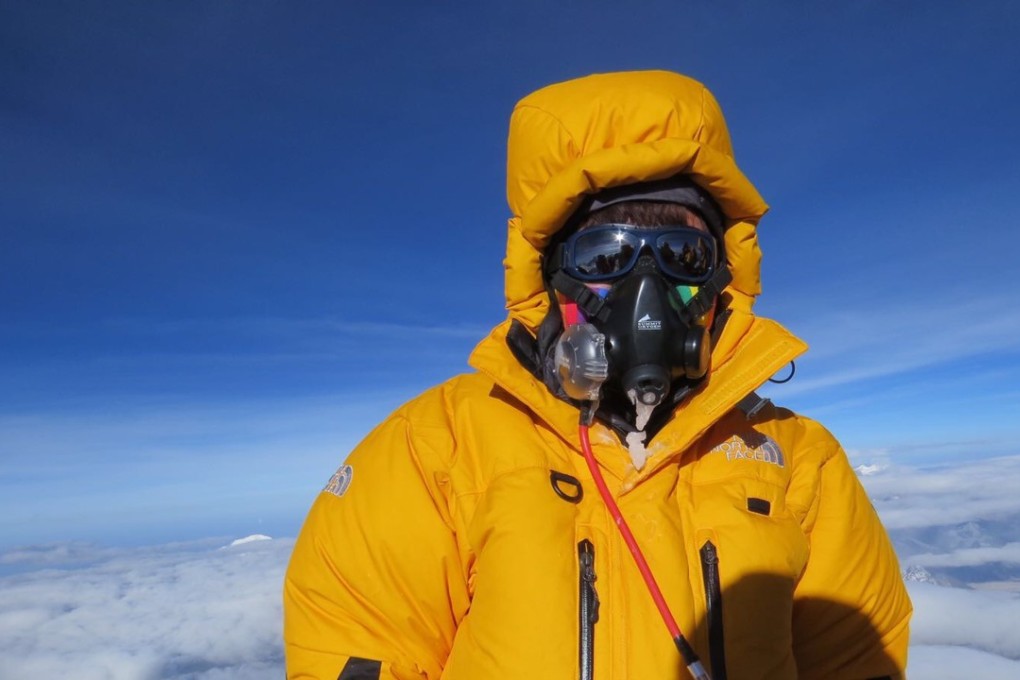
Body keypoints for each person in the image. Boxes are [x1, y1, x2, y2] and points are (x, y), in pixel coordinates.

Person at [283, 70, 911, 680]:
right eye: (605, 255)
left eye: (684, 255)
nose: (647, 288)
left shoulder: (800, 461)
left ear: (722, 277)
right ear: (550, 276)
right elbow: (357, 648)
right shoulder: (435, 447)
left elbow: (855, 662)